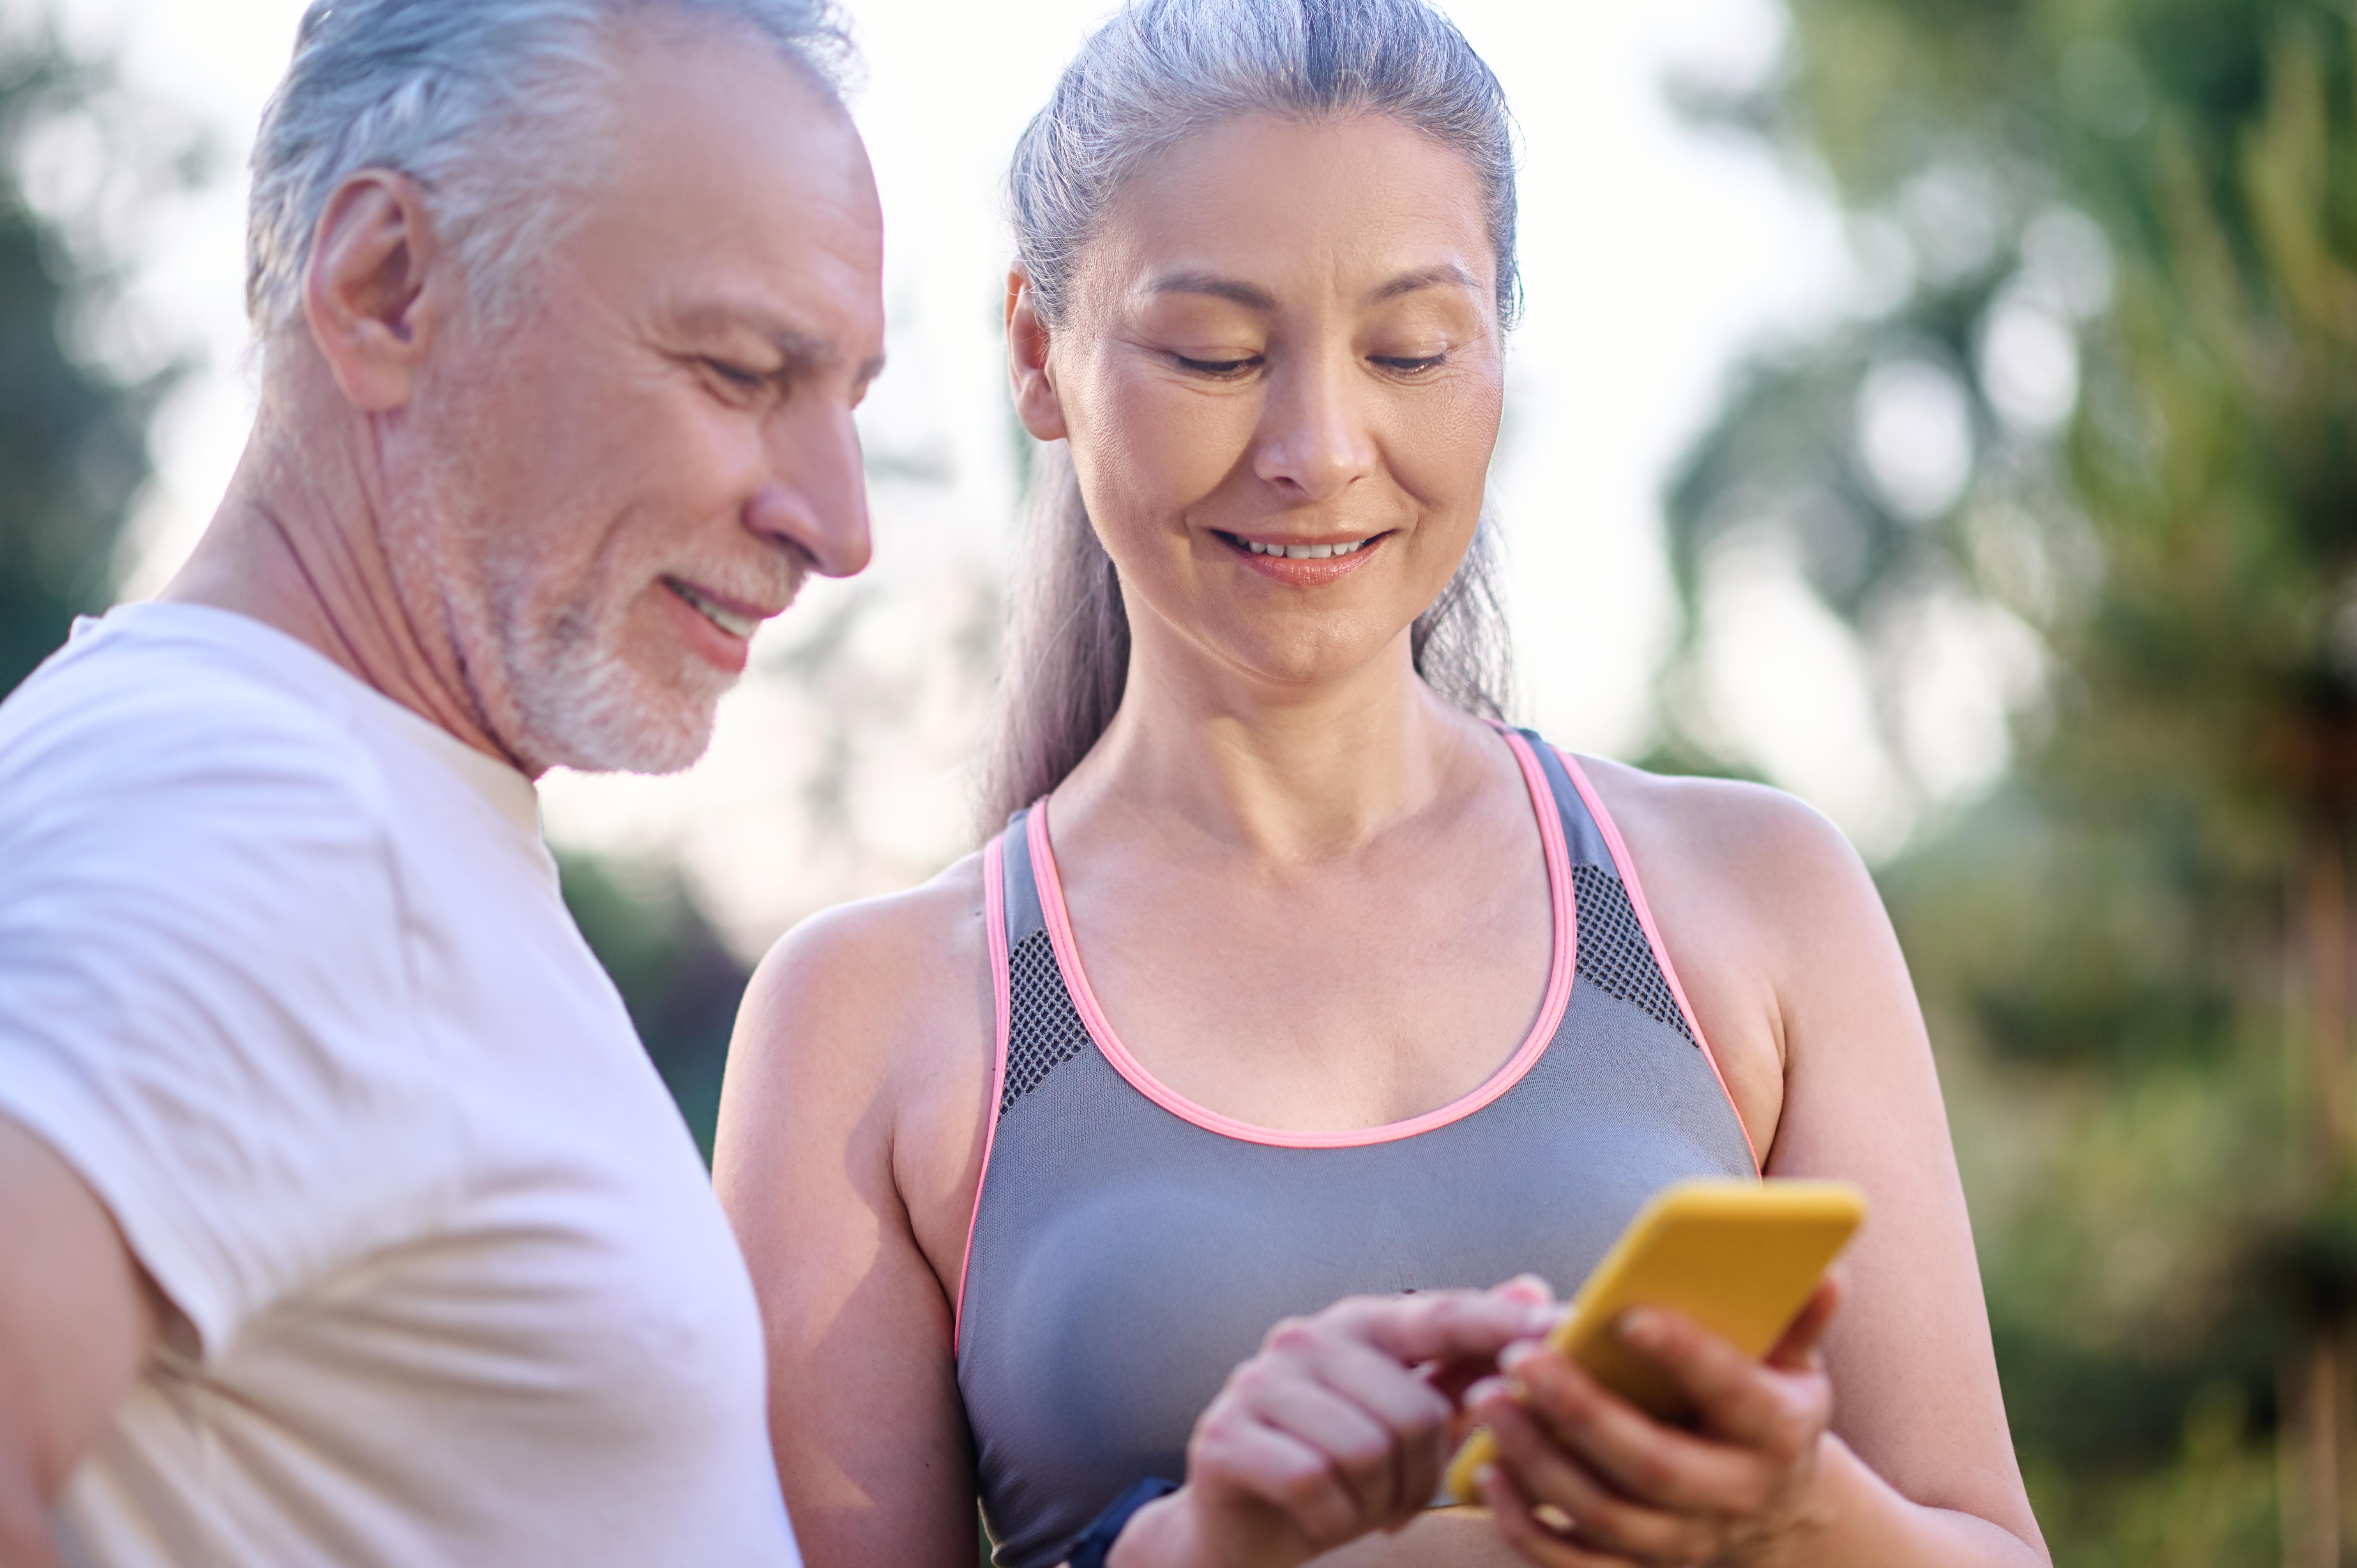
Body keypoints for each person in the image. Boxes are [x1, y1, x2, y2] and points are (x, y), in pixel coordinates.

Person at [714, 2, 2051, 1566]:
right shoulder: (866, 1018)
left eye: (1411, 348)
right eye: (1215, 350)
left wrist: (1799, 1514)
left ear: (1497, 346)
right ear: (1037, 351)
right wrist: (1190, 1550)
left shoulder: (1759, 898)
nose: (1322, 447)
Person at [0, 2, 883, 1564]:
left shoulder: (359, 803)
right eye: (746, 372)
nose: (838, 520)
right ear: (387, 289)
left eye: (849, 401)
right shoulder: (256, 813)